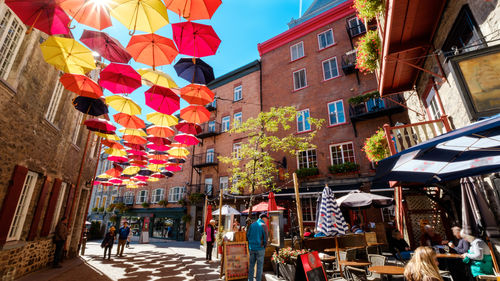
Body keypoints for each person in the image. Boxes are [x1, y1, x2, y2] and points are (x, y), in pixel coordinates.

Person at [247, 213, 268, 281]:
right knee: (259, 267)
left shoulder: (252, 225)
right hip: (260, 248)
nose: (267, 221)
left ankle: (250, 280)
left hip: (252, 248)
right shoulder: (263, 225)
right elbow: (266, 238)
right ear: (263, 218)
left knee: (251, 266)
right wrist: (264, 245)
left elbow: (248, 235)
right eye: (266, 219)